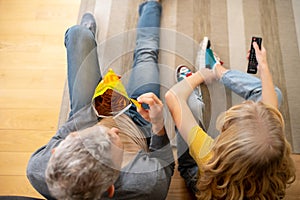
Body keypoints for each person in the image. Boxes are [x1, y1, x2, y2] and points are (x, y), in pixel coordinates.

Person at [27, 1, 174, 200]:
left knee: (78, 35)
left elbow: (71, 127)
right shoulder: (148, 184)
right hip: (141, 123)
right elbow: (165, 162)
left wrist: (99, 107)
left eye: (75, 138)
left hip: (89, 115)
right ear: (110, 189)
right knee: (146, 55)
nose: (114, 130)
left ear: (56, 152)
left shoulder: (37, 168)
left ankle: (87, 34)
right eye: (116, 143)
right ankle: (151, 4)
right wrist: (158, 125)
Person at [165, 37, 296, 199]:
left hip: (201, 175)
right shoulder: (274, 156)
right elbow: (270, 107)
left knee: (191, 104)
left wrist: (201, 75)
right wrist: (263, 66)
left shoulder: (209, 155)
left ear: (227, 134)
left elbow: (172, 96)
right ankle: (219, 69)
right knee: (274, 94)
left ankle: (196, 77)